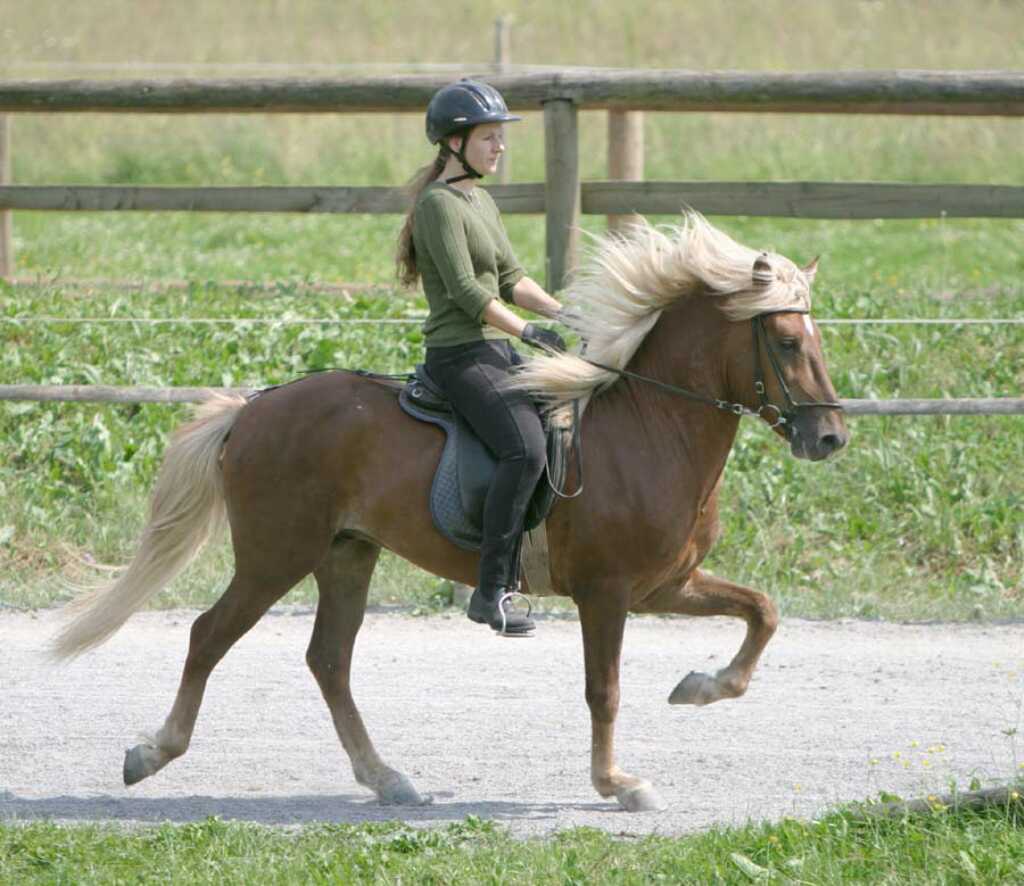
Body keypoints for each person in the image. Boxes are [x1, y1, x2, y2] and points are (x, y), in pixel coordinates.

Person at [396, 79, 566, 636]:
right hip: (459, 353)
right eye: (489, 138)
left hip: (494, 346)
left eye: (501, 138)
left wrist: (565, 315)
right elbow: (471, 294)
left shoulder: (481, 199)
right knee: (524, 448)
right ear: (453, 142)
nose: (500, 148)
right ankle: (490, 590)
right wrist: (531, 334)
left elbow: (512, 279)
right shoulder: (438, 207)